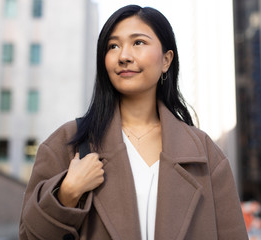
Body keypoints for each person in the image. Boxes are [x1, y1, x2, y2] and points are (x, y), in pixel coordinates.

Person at [19, 5, 248, 240]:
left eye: (138, 42)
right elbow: (28, 236)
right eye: (113, 46)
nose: (124, 56)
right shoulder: (66, 143)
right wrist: (67, 193)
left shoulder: (205, 156)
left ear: (167, 60)